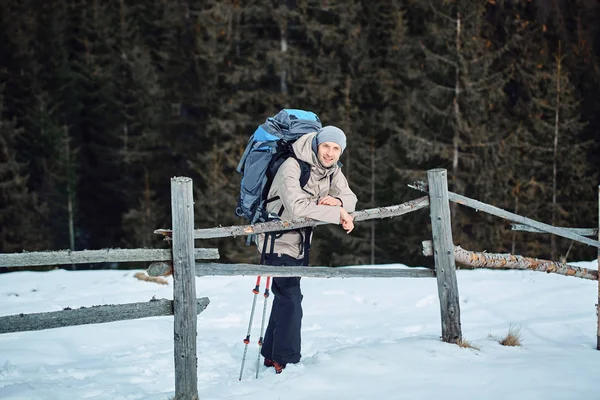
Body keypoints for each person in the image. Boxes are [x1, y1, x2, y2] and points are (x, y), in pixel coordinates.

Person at [256, 125, 357, 374]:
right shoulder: (292, 165)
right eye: (326, 146)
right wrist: (338, 213)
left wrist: (340, 201)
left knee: (286, 295)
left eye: (336, 149)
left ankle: (271, 354)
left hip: (300, 241)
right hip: (275, 237)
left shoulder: (333, 170)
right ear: (316, 145)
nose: (330, 153)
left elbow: (351, 197)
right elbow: (297, 208)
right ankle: (286, 359)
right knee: (290, 296)